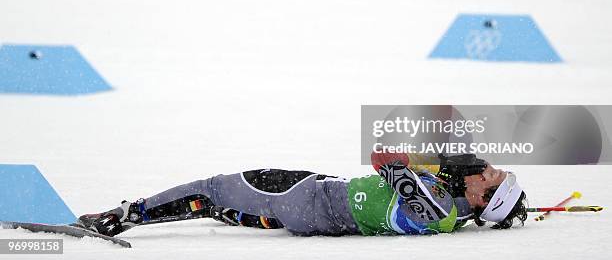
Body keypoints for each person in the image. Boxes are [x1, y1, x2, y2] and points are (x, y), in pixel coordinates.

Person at [77, 153, 528, 237]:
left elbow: (384, 159)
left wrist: (432, 161)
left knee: (212, 190)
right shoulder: (450, 211)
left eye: (487, 175)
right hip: (320, 209)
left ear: (483, 199)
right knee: (224, 205)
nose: (481, 168)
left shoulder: (439, 210)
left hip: (308, 200)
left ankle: (122, 215)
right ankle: (242, 214)